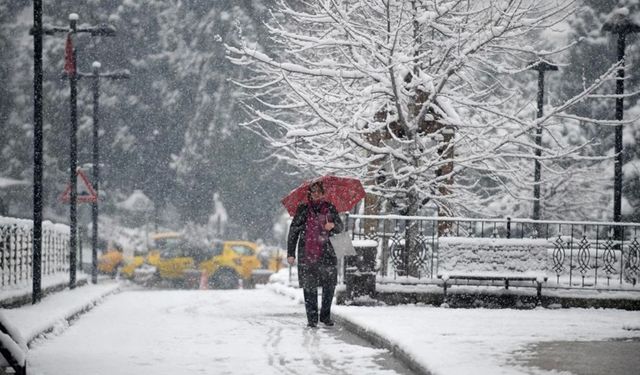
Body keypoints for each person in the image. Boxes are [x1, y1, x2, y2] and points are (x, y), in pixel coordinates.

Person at [287, 181, 343, 328]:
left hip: (328, 252)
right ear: (309, 194)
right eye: (313, 191)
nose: (316, 194)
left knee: (329, 286)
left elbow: (341, 228)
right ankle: (312, 318)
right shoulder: (303, 209)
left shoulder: (330, 208)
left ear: (323, 192)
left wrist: (333, 226)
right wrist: (290, 253)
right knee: (309, 286)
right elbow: (293, 231)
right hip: (308, 253)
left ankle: (325, 316)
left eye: (319, 191)